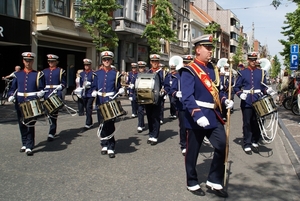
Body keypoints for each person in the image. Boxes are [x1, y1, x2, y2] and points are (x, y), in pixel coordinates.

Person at [180, 35, 234, 198]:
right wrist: (197, 114)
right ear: (198, 50)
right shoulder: (188, 70)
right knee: (193, 152)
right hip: (196, 116)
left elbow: (219, 91)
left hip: (212, 114)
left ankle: (214, 180)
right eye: (207, 48)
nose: (211, 51)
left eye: (211, 48)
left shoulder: (213, 68)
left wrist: (225, 101)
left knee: (221, 145)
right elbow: (187, 97)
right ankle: (192, 181)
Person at [233, 52, 275, 155]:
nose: (253, 61)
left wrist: (267, 90)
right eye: (251, 59)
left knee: (258, 121)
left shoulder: (261, 73)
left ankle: (255, 140)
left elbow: (263, 87)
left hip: (258, 100)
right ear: (248, 60)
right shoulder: (243, 73)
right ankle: (247, 143)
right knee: (247, 122)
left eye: (255, 59)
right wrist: (240, 94)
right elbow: (236, 87)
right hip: (246, 101)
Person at [7, 52, 45, 156]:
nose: (28, 63)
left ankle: (29, 145)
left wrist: (41, 92)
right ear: (23, 61)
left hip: (31, 101)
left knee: (30, 123)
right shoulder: (17, 74)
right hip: (20, 100)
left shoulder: (37, 74)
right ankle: (24, 143)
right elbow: (13, 88)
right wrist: (10, 95)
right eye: (26, 60)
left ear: (32, 61)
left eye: (30, 61)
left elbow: (41, 88)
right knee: (21, 123)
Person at [92, 50, 124, 158]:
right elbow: (94, 86)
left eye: (108, 59)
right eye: (105, 60)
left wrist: (120, 90)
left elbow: (118, 87)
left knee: (110, 124)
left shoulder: (115, 74)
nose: (106, 61)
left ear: (111, 61)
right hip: (100, 100)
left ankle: (111, 146)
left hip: (110, 101)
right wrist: (93, 91)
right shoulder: (97, 73)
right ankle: (104, 144)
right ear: (102, 61)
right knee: (101, 123)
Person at [169, 54, 193, 156]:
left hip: (193, 105)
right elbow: (171, 90)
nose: (187, 64)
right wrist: (176, 93)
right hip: (182, 105)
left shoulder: (195, 75)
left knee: (192, 127)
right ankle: (184, 145)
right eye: (186, 63)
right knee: (183, 126)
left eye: (189, 62)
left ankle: (192, 144)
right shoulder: (177, 76)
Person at [43, 54, 66, 142]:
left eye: (52, 61)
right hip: (47, 93)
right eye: (49, 61)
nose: (50, 63)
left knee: (53, 114)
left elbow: (64, 83)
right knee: (48, 113)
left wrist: (61, 86)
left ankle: (51, 132)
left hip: (56, 93)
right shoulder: (44, 71)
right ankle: (52, 129)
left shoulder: (60, 71)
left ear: (56, 62)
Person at [77, 58, 96, 131]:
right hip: (84, 93)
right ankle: (90, 122)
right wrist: (79, 90)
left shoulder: (93, 73)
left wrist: (91, 85)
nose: (86, 66)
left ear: (90, 65)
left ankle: (87, 123)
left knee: (88, 107)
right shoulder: (82, 74)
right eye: (85, 65)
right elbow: (81, 84)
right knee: (85, 107)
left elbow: (95, 83)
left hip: (90, 93)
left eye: (88, 65)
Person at [136, 61, 146, 132]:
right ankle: (140, 124)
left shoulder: (147, 74)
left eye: (142, 67)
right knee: (140, 110)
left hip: (146, 95)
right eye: (139, 67)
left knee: (148, 111)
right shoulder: (136, 75)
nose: (141, 68)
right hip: (138, 95)